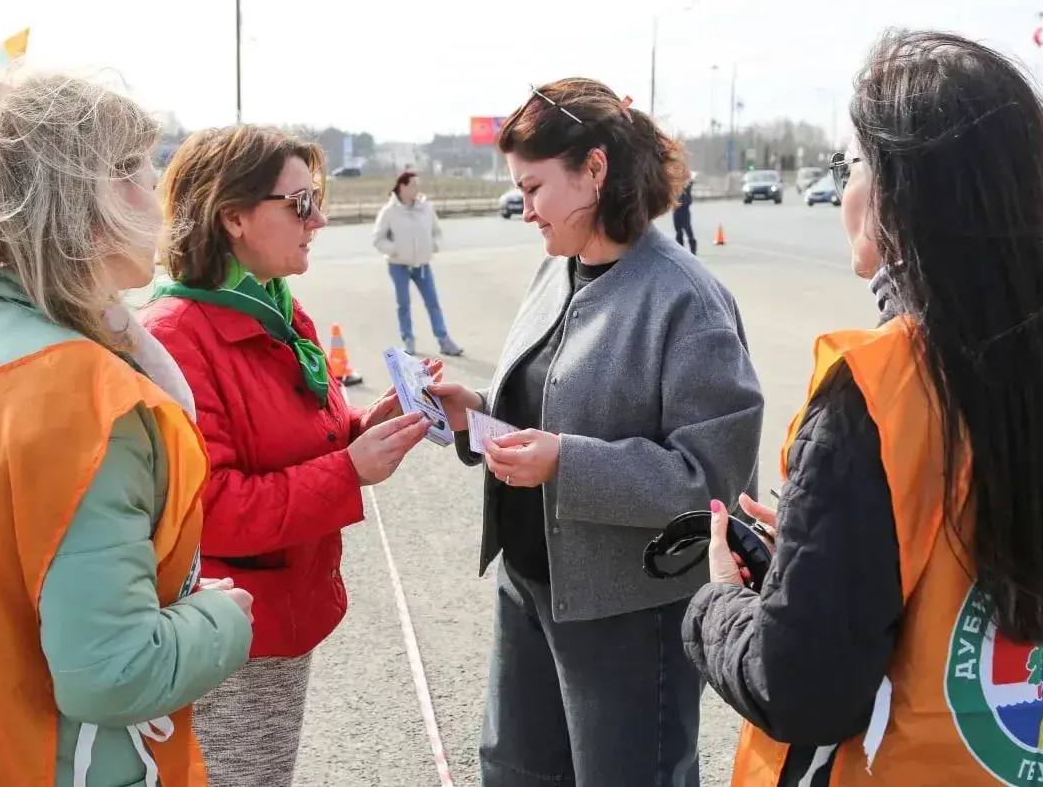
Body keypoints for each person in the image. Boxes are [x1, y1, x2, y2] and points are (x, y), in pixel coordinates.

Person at [682, 31, 1043, 787]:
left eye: (850, 167)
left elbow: (801, 688)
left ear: (900, 193)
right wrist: (811, 550)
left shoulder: (878, 391)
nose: (842, 190)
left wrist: (718, 603)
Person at [0, 71, 254, 786]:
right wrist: (223, 618)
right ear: (93, 198)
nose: (159, 201)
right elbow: (111, 673)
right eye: (145, 175)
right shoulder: (87, 400)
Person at [428, 78, 764, 786]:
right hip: (530, 588)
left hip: (630, 618)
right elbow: (551, 408)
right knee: (514, 771)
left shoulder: (686, 300)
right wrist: (476, 411)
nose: (525, 209)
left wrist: (566, 464)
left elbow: (713, 482)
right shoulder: (556, 270)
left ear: (595, 169)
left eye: (534, 188)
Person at [141, 125, 432, 786]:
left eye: (317, 199)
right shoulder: (177, 336)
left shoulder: (272, 304)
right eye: (301, 204)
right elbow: (210, 509)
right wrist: (350, 469)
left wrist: (362, 426)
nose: (318, 219)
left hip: (277, 613)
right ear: (233, 216)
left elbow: (290, 436)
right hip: (230, 634)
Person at [372, 170, 464, 356]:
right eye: (413, 185)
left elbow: (437, 232)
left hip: (422, 266)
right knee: (403, 304)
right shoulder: (389, 211)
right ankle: (408, 340)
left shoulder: (426, 208)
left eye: (417, 185)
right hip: (398, 265)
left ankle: (444, 340)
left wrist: (433, 246)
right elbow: (378, 239)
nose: (417, 188)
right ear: (402, 187)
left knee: (433, 303)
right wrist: (394, 249)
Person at [674, 171, 697, 254]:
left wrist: (691, 177)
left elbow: (690, 182)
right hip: (676, 211)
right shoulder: (675, 187)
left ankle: (693, 251)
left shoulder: (687, 188)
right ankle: (681, 251)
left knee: (688, 230)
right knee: (678, 232)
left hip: (684, 211)